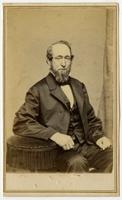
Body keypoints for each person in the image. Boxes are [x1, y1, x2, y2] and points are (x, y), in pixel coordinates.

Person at [13, 40, 113, 172]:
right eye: (58, 58)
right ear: (49, 61)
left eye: (67, 58)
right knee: (77, 163)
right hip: (57, 150)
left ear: (71, 60)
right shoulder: (37, 90)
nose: (63, 63)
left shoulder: (79, 86)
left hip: (85, 145)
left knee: (113, 157)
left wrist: (98, 136)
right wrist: (54, 135)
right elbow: (21, 122)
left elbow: (91, 119)